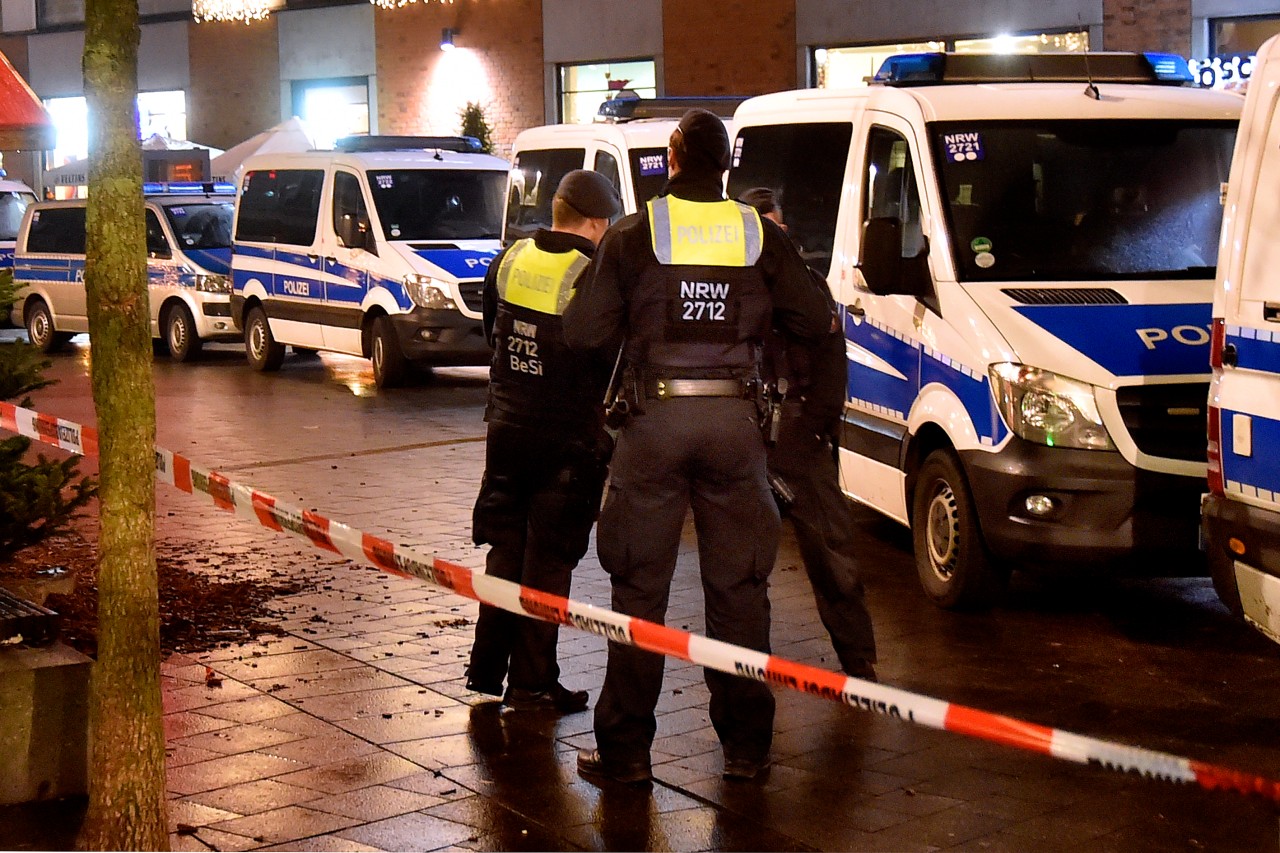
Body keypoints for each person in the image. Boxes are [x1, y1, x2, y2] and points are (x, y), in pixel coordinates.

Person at [563, 109, 831, 784]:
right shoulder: (756, 233)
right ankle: (746, 751)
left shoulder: (633, 233)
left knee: (639, 590)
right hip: (736, 427)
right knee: (739, 590)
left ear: (673, 156)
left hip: (653, 424)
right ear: (727, 166)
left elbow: (583, 333)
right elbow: (812, 315)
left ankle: (625, 754)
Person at [466, 169, 621, 713]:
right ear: (598, 222)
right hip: (566, 443)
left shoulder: (509, 258)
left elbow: (493, 333)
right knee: (549, 561)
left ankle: (486, 670)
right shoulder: (591, 271)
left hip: (505, 431)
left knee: (507, 549)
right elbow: (604, 354)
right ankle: (533, 684)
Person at [739, 186, 878, 682]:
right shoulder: (736, 288)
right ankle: (747, 669)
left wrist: (802, 448)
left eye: (777, 230)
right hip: (749, 441)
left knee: (833, 558)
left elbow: (831, 373)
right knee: (743, 568)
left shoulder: (809, 289)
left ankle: (859, 666)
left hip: (802, 436)